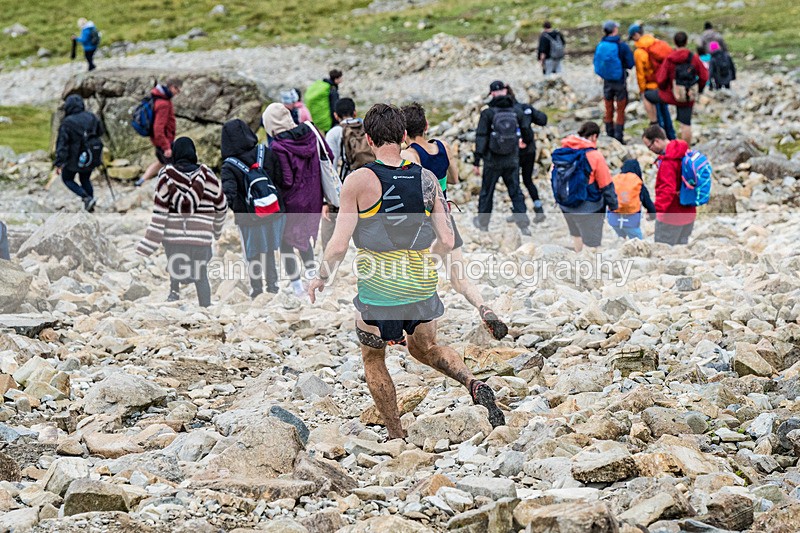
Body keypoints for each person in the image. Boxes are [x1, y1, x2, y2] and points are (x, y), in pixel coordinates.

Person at [308, 103, 506, 439]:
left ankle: (396, 434)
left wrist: (321, 277)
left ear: (368, 140)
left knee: (373, 358)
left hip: (379, 292)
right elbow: (446, 238)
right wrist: (421, 256)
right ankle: (472, 382)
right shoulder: (427, 179)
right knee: (425, 348)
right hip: (420, 287)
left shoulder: (358, 180)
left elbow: (339, 245)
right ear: (403, 137)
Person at [401, 102, 509, 340]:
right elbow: (456, 178)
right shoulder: (443, 146)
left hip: (425, 223)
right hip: (447, 218)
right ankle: (483, 307)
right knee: (460, 279)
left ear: (404, 133)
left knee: (415, 275)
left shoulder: (409, 155)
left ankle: (407, 328)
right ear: (427, 125)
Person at [137, 137, 227, 306]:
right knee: (201, 273)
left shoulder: (165, 176)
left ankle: (174, 293)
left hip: (174, 239)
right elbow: (221, 206)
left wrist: (151, 240)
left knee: (175, 265)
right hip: (201, 239)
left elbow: (159, 211)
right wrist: (216, 230)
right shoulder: (208, 176)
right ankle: (205, 307)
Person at [263, 103, 333, 296]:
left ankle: (296, 286)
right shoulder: (310, 131)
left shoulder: (278, 146)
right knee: (303, 238)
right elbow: (330, 155)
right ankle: (314, 278)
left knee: (286, 241)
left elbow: (287, 179)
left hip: (293, 200)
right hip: (314, 197)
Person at [220, 119, 285, 297]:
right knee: (269, 250)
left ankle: (256, 289)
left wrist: (240, 209)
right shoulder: (266, 153)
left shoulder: (229, 165)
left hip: (248, 218)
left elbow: (229, 194)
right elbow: (279, 180)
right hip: (272, 211)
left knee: (253, 253)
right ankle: (273, 286)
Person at [473, 80, 532, 236]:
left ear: (492, 93)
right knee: (515, 191)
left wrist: (477, 161)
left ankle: (483, 224)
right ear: (506, 91)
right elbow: (526, 129)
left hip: (492, 160)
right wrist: (525, 142)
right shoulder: (516, 110)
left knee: (487, 192)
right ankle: (524, 225)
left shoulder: (488, 113)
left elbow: (481, 137)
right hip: (512, 159)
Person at [552, 122, 618, 252]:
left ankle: (578, 261)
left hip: (566, 205)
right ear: (594, 136)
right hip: (589, 206)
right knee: (592, 242)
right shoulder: (594, 155)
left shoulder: (563, 152)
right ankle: (590, 266)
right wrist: (613, 205)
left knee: (576, 235)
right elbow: (605, 184)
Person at [322, 98, 373, 250]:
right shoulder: (368, 129)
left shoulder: (334, 133)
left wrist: (327, 199)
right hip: (368, 184)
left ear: (336, 115)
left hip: (345, 185)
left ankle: (328, 264)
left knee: (329, 230)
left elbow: (330, 166)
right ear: (355, 112)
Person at [643, 31, 708, 144]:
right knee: (686, 124)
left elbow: (661, 79)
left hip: (670, 94)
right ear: (686, 42)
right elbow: (704, 76)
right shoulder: (693, 58)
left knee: (647, 96)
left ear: (674, 42)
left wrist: (665, 89)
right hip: (687, 95)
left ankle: (654, 123)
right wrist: (698, 89)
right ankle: (686, 152)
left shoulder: (670, 58)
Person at [642, 125, 696, 245]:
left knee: (662, 256)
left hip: (671, 218)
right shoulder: (685, 152)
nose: (650, 150)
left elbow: (666, 191)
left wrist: (655, 211)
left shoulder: (668, 162)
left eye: (649, 146)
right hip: (689, 216)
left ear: (656, 141)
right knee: (681, 255)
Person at [55, 94, 103, 212]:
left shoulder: (67, 122)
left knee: (67, 178)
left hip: (74, 157)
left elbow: (62, 144)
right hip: (91, 155)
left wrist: (59, 162)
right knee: (85, 178)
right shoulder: (92, 117)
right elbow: (100, 132)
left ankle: (85, 197)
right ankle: (90, 203)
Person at [507, 86, 548, 223]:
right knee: (528, 180)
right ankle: (539, 208)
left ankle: (519, 211)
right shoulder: (525, 108)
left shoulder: (505, 111)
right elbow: (543, 119)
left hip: (514, 152)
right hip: (530, 150)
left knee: (514, 182)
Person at [628, 23, 677, 140]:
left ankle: (661, 138)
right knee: (665, 112)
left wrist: (642, 90)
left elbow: (641, 74)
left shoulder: (639, 52)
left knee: (657, 115)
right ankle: (672, 137)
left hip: (651, 87)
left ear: (636, 35)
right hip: (662, 84)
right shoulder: (657, 43)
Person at [135, 79, 182, 187]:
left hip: (158, 140)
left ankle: (141, 181)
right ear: (172, 87)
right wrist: (166, 147)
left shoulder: (159, 99)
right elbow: (158, 128)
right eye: (177, 90)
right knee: (173, 166)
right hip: (164, 141)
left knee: (160, 162)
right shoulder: (164, 103)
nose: (177, 93)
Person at [594, 21, 635, 143]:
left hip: (606, 80)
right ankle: (619, 135)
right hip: (619, 80)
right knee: (621, 109)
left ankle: (609, 133)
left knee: (608, 107)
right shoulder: (621, 45)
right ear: (614, 30)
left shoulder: (601, 44)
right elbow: (630, 63)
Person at [606, 159, 656, 240]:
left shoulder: (615, 180)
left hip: (613, 220)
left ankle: (621, 237)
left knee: (619, 240)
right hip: (631, 221)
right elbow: (648, 203)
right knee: (638, 241)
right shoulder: (637, 182)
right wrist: (653, 215)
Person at [305, 69, 343, 133]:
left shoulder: (324, 85)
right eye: (340, 78)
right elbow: (334, 106)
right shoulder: (332, 90)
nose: (342, 80)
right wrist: (336, 120)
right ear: (336, 79)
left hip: (322, 117)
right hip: (329, 119)